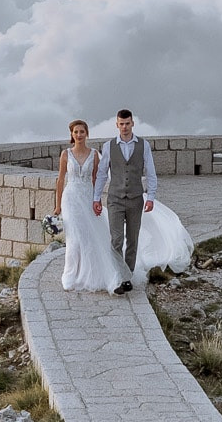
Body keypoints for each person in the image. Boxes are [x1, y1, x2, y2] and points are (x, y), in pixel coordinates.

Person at [89, 109, 192, 292]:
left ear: (132, 123)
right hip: (115, 199)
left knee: (133, 240)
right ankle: (120, 277)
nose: (124, 127)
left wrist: (151, 196)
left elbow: (150, 172)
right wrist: (96, 197)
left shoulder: (143, 145)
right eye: (121, 124)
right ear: (117, 125)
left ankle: (127, 275)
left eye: (127, 123)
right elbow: (103, 174)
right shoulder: (108, 146)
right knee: (116, 240)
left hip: (136, 198)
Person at [53, 119, 119, 292]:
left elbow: (97, 179)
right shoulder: (65, 154)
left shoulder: (95, 154)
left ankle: (92, 274)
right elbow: (60, 180)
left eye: (82, 132)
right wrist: (57, 205)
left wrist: (97, 200)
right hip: (71, 199)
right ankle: (70, 275)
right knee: (73, 239)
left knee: (90, 236)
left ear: (87, 134)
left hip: (88, 197)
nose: (79, 135)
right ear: (72, 134)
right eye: (76, 132)